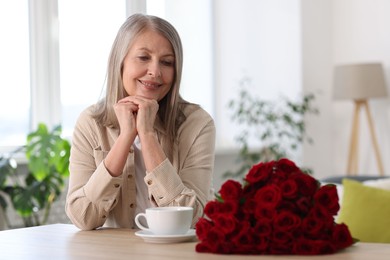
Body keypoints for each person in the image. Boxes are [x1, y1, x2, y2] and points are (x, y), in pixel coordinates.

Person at [65, 13, 216, 230]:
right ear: (120, 62)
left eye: (167, 62)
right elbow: (82, 218)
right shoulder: (90, 122)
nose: (155, 72)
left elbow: (192, 219)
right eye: (144, 58)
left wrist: (147, 135)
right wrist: (125, 137)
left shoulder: (197, 123)